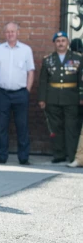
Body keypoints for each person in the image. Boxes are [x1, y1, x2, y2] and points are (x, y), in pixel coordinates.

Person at [0, 22, 35, 165]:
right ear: (5, 34)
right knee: (1, 126)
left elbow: (30, 72)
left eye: (13, 31)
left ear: (18, 33)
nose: (10, 34)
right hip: (2, 93)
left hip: (20, 93)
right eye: (8, 32)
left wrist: (27, 90)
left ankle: (24, 157)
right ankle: (2, 156)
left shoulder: (26, 50)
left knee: (22, 126)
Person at [38, 31, 83, 164]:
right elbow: (43, 81)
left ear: (67, 42)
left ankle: (72, 155)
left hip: (71, 97)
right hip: (52, 97)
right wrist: (42, 99)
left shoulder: (78, 58)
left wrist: (81, 96)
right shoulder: (48, 60)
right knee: (55, 127)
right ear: (54, 44)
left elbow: (81, 80)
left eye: (63, 40)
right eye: (58, 41)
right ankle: (59, 155)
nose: (61, 43)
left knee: (71, 127)